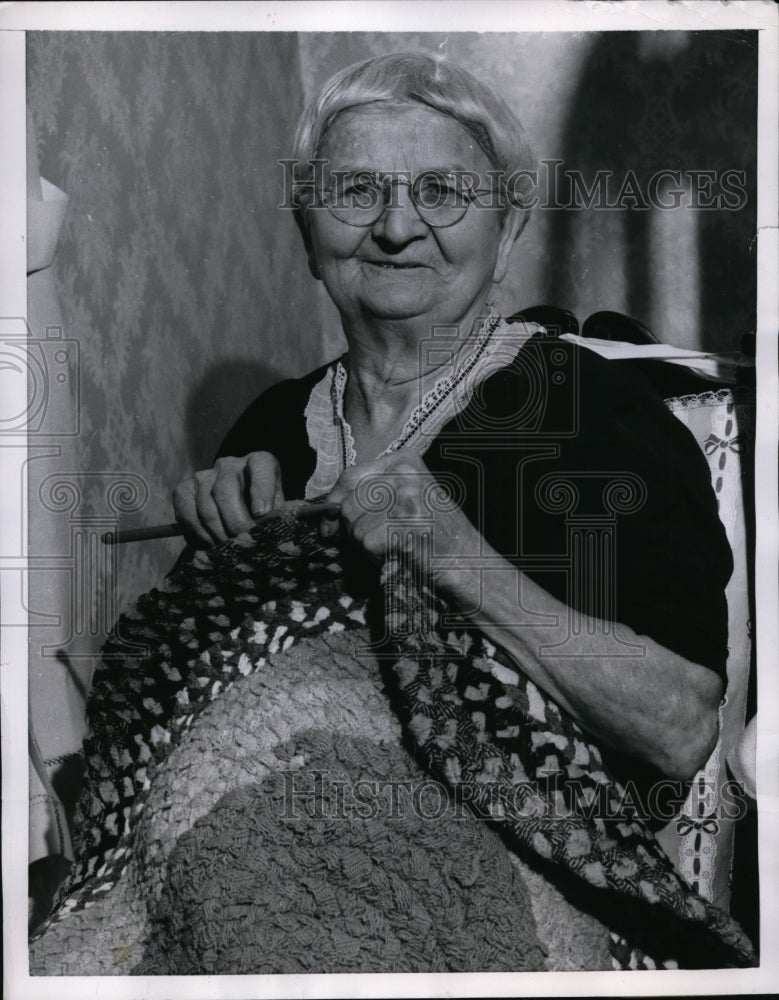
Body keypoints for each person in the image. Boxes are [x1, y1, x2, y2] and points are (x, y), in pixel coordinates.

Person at [172, 52, 731, 785]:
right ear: (309, 234)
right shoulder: (275, 424)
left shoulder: (595, 410)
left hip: (522, 861)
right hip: (281, 834)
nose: (397, 227)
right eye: (355, 191)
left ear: (503, 234)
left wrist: (456, 557)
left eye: (441, 191)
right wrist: (217, 549)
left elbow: (679, 730)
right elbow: (195, 705)